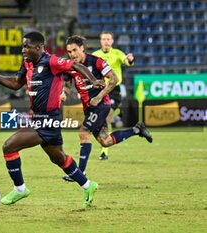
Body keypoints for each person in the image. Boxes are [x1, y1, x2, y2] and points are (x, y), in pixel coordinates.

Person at [0, 31, 102, 208]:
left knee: (9, 146)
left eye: (27, 46)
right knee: (59, 158)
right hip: (39, 118)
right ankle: (88, 185)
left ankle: (20, 189)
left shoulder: (52, 61)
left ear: (39, 47)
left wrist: (93, 80)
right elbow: (16, 84)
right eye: (22, 46)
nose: (23, 50)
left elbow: (77, 66)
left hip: (48, 119)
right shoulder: (27, 63)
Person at [61, 35, 152, 182]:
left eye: (74, 50)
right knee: (106, 141)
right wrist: (64, 94)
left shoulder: (96, 61)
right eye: (69, 51)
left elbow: (114, 78)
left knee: (84, 132)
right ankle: (137, 130)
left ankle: (79, 173)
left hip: (102, 105)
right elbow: (67, 84)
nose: (72, 54)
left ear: (82, 48)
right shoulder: (71, 66)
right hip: (89, 108)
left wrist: (99, 96)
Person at [92, 31, 135, 160]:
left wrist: (130, 60)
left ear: (112, 41)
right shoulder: (95, 55)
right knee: (101, 119)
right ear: (100, 41)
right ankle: (119, 115)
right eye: (104, 39)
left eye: (108, 39)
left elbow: (127, 62)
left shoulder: (117, 53)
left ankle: (104, 151)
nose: (106, 41)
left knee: (106, 117)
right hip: (100, 90)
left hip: (114, 90)